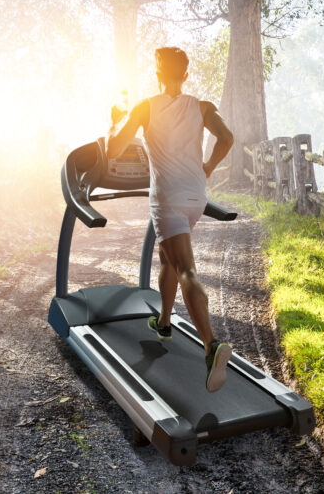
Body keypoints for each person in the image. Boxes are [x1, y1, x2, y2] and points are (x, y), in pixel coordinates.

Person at [105, 47, 235, 392]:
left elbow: (113, 150)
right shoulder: (202, 107)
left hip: (168, 198)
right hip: (196, 194)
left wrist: (118, 120)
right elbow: (227, 138)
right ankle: (163, 322)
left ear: (158, 75)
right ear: (186, 75)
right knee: (168, 258)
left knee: (186, 268)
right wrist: (207, 167)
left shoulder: (144, 107)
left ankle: (211, 346)